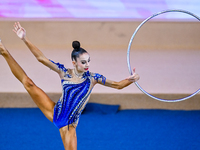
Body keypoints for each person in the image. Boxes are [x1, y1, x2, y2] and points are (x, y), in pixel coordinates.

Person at [0, 22, 140, 150]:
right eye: (83, 62)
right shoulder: (64, 72)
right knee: (28, 83)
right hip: (55, 111)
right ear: (74, 62)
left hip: (69, 125)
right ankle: (4, 52)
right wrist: (24, 39)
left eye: (88, 61)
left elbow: (117, 85)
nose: (87, 65)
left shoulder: (93, 78)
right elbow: (41, 58)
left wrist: (131, 80)